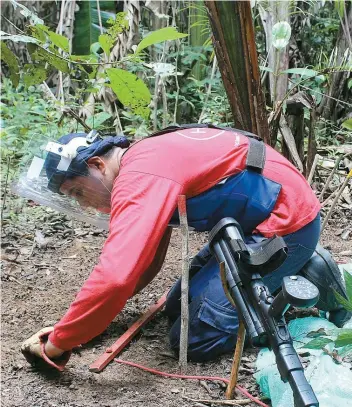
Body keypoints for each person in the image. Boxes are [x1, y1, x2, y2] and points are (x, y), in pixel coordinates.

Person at [20, 125, 349, 370]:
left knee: (194, 339)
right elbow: (142, 264)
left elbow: (116, 277)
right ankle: (294, 266)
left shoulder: (140, 175)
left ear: (97, 165)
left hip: (283, 226)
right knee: (176, 306)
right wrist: (79, 324)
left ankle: (302, 271)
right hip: (246, 225)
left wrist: (59, 343)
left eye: (77, 192)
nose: (86, 205)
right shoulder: (143, 160)